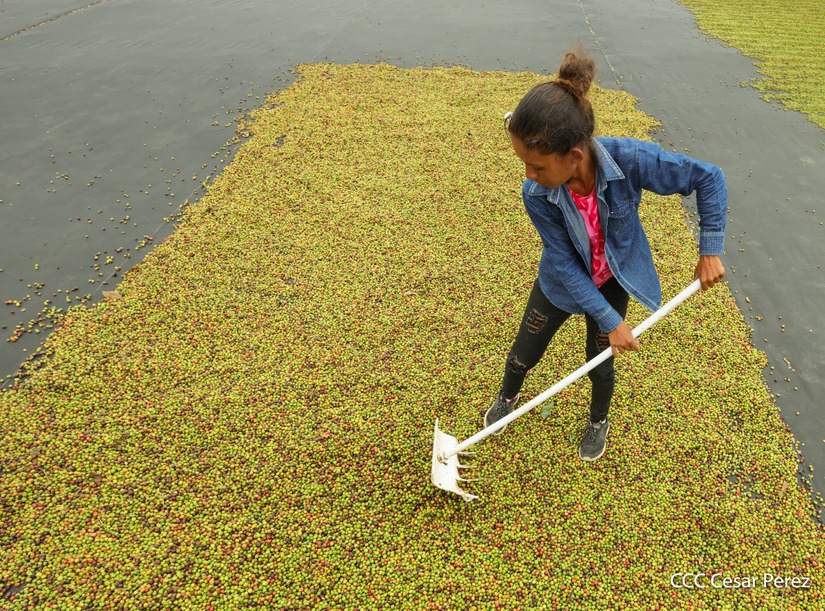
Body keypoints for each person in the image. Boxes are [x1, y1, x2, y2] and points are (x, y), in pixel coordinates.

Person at [484, 45, 727, 461]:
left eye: (538, 166)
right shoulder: (537, 195)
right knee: (525, 350)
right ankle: (508, 397)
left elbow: (709, 178)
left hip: (614, 278)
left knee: (599, 363)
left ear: (574, 156)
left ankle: (598, 421)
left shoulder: (630, 160)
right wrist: (613, 321)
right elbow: (563, 260)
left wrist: (710, 249)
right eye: (525, 164)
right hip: (561, 285)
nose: (529, 176)